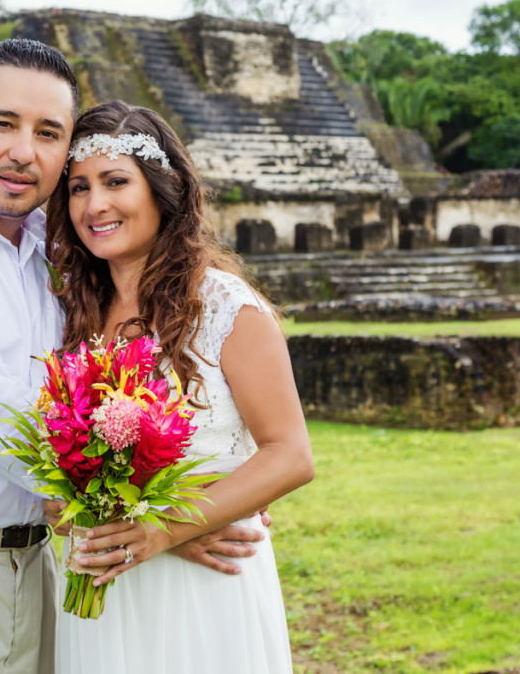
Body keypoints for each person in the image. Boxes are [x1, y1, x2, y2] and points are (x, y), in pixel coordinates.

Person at [0, 39, 270, 674]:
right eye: (2, 124)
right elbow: (10, 430)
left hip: (44, 563)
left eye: (48, 133)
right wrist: (171, 524)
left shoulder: (62, 253)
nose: (23, 152)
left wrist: (179, 510)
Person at [44, 100, 315, 674]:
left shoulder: (224, 307)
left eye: (116, 182)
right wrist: (74, 512)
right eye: (78, 187)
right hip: (101, 586)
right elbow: (55, 472)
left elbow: (290, 455)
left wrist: (165, 531)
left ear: (161, 189)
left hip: (202, 591)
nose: (95, 205)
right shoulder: (71, 314)